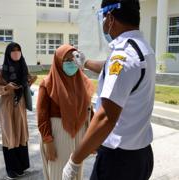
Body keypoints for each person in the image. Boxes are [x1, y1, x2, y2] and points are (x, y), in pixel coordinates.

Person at [62, 0, 155, 180]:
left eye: (102, 18)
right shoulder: (142, 47)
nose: (103, 24)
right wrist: (86, 62)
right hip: (141, 154)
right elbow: (115, 71)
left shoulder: (123, 56)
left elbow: (105, 118)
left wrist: (75, 160)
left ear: (110, 18)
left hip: (119, 162)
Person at [37, 44, 95, 180]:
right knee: (59, 174)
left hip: (79, 134)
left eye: (74, 59)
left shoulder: (82, 82)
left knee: (75, 174)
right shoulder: (47, 84)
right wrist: (48, 141)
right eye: (67, 60)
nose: (71, 63)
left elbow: (89, 110)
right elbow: (42, 115)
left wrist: (92, 138)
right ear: (58, 61)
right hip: (57, 136)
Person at [0, 42, 37, 179]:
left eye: (18, 50)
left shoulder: (24, 68)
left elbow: (25, 84)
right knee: (10, 134)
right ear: (8, 53)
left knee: (21, 133)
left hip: (20, 105)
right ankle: (11, 169)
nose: (16, 53)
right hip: (7, 106)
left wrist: (30, 81)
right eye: (13, 50)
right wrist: (6, 88)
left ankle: (21, 167)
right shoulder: (1, 70)